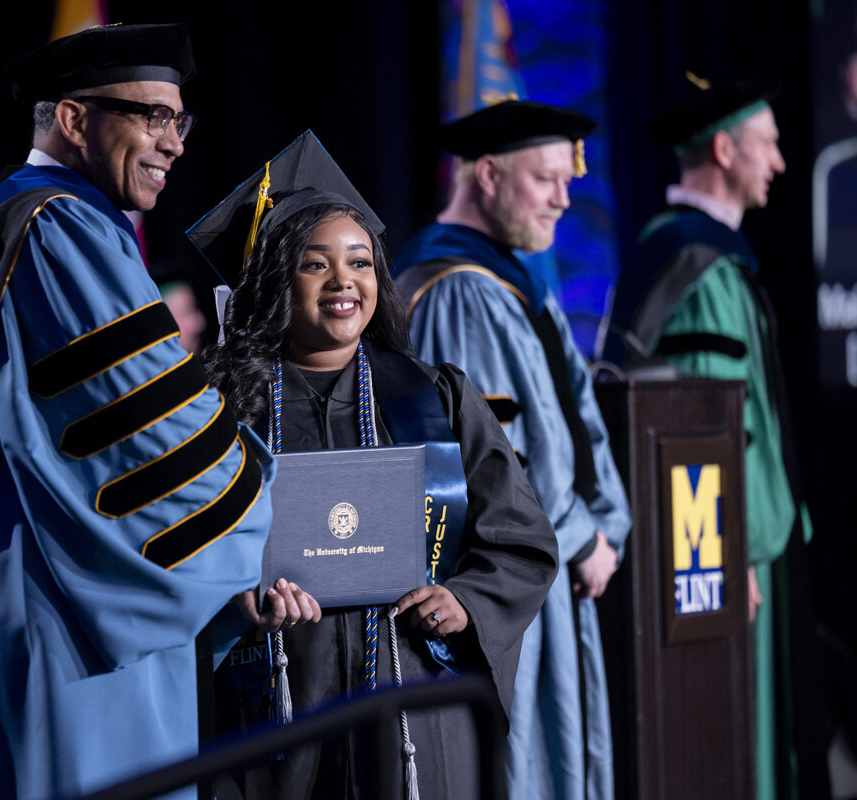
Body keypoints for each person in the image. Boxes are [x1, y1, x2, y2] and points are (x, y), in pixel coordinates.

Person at [0, 24, 276, 800]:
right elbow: (150, 439)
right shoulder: (57, 228)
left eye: (179, 122)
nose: (173, 143)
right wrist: (269, 524)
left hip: (66, 589)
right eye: (151, 116)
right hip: (74, 610)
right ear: (74, 119)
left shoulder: (35, 219)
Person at [188, 130, 558, 799]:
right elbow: (170, 553)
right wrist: (235, 602)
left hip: (412, 701)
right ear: (276, 277)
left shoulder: (437, 397)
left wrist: (465, 599)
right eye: (314, 263)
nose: (343, 283)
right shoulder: (215, 410)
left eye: (359, 263)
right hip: (275, 702)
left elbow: (521, 543)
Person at [391, 101, 632, 800]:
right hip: (506, 579)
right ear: (488, 174)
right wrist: (583, 536)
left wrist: (601, 526)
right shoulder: (458, 288)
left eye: (568, 181)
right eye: (545, 180)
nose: (564, 198)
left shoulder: (509, 275)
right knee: (529, 758)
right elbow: (499, 454)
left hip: (548, 570)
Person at [606, 76, 827, 800]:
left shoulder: (692, 255)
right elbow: (706, 434)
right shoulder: (695, 268)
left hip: (735, 543)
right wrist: (736, 551)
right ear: (725, 149)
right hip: (726, 552)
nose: (780, 162)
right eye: (767, 144)